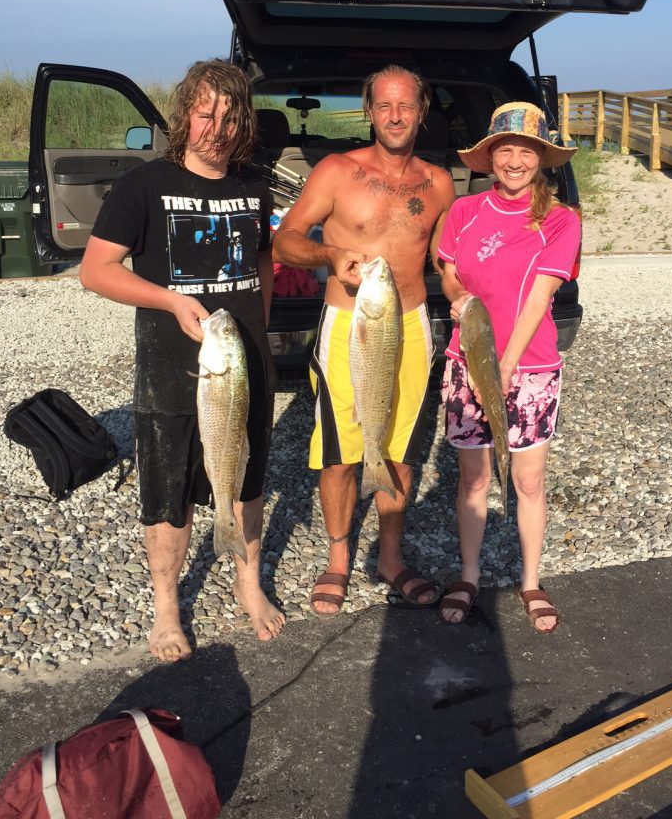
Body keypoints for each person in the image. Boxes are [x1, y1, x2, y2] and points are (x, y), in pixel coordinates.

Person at [80, 59, 284, 661]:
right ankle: (167, 606)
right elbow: (96, 271)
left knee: (244, 481)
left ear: (242, 121)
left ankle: (249, 584)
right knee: (167, 492)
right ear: (184, 115)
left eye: (229, 115)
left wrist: (258, 326)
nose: (216, 127)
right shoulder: (142, 185)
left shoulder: (253, 186)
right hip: (169, 371)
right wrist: (170, 301)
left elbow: (265, 264)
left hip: (242, 368)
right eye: (205, 112)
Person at [272, 65, 456, 616]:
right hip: (348, 325)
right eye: (384, 106)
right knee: (339, 450)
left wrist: (466, 294)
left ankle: (390, 558)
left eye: (406, 106)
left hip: (411, 325)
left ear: (421, 113)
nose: (395, 116)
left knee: (399, 446)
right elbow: (284, 242)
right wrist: (329, 256)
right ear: (368, 111)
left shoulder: (439, 182)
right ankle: (337, 558)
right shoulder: (336, 171)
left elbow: (443, 260)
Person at [436, 102, 581, 631]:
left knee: (529, 477)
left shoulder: (560, 220)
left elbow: (541, 298)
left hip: (532, 364)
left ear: (541, 159)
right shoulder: (464, 211)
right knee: (473, 476)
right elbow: (450, 272)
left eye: (526, 150)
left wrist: (505, 364)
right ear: (489, 157)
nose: (515, 160)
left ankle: (530, 580)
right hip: (464, 357)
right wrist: (456, 298)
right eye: (505, 150)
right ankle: (469, 574)